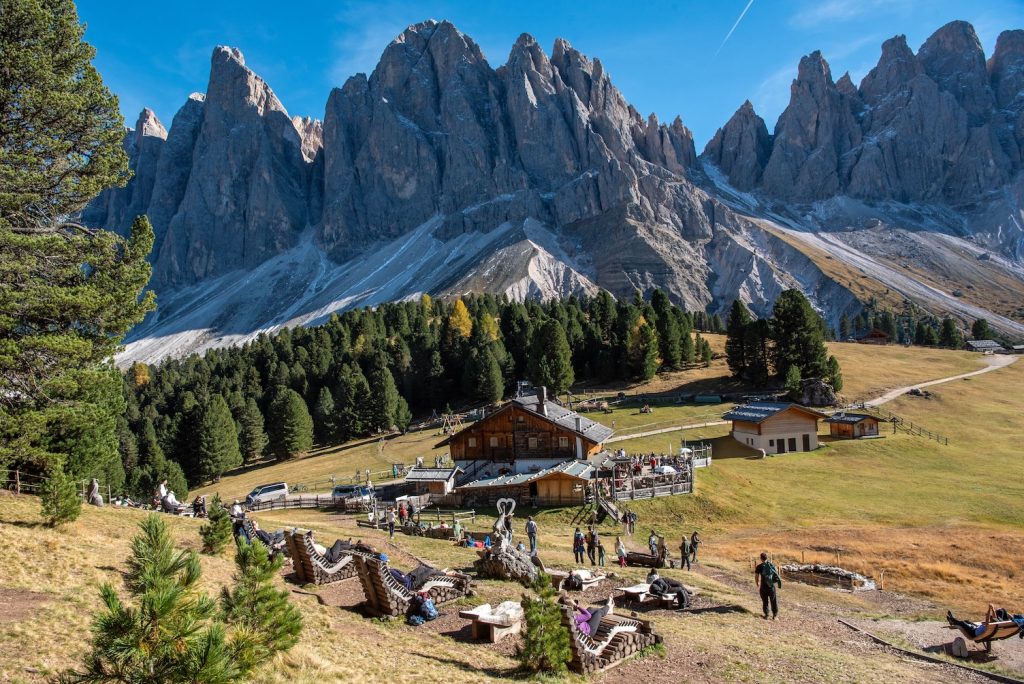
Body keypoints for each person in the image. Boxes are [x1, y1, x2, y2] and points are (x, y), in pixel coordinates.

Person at [754, 552, 782, 620]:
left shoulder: (759, 566)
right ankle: (775, 616)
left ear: (761, 558)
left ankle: (766, 615)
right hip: (771, 586)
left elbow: (756, 576)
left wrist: (757, 583)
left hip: (763, 586)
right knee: (773, 601)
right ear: (767, 557)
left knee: (765, 601)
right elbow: (777, 574)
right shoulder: (772, 565)